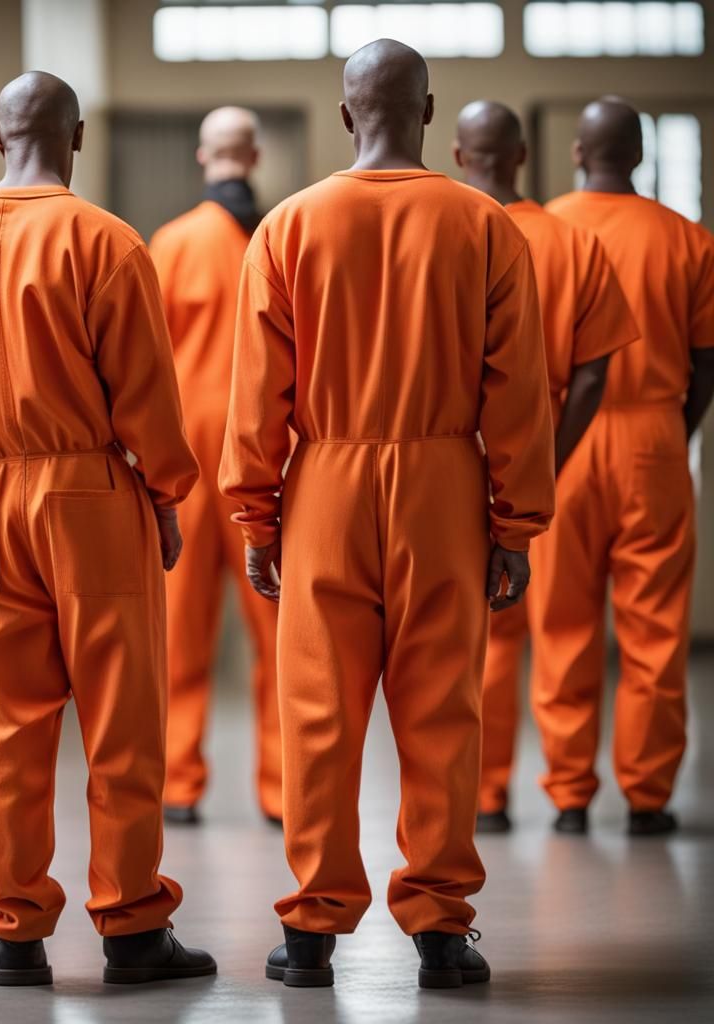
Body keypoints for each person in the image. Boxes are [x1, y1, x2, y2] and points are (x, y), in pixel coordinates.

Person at [220, 40, 555, 989]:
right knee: (444, 710)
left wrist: (256, 517)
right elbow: (517, 394)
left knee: (316, 711)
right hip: (443, 488)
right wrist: (515, 525)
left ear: (343, 115)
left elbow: (257, 395)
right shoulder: (485, 226)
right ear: (430, 113)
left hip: (323, 485)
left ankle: (312, 930)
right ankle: (441, 929)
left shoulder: (287, 227)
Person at [0, 71, 215, 986]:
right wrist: (165, 498)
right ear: (75, 138)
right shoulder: (106, 241)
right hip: (93, 499)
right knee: (122, 721)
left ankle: (15, 930)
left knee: (3, 726)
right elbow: (147, 397)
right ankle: (132, 927)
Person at [453, 100, 639, 834]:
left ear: (459, 156)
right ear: (524, 155)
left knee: (482, 638)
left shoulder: (445, 234)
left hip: (459, 455)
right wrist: (542, 466)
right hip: (558, 443)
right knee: (572, 627)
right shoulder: (573, 242)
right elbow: (593, 374)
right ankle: (574, 796)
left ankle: (486, 796)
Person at [536, 97, 714, 835]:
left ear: (578, 152)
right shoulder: (688, 240)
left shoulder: (545, 232)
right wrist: (672, 432)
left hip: (563, 440)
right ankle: (647, 797)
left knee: (561, 622)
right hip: (655, 440)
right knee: (655, 629)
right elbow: (707, 362)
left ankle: (569, 795)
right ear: (638, 156)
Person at [150, 106, 281, 826]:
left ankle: (177, 783)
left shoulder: (172, 244)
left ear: (204, 156)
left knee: (180, 628)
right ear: (254, 156)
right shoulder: (283, 237)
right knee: (281, 632)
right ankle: (286, 790)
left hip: (187, 460)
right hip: (267, 453)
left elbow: (141, 367)